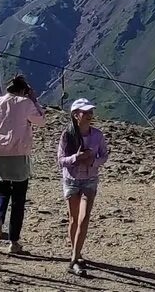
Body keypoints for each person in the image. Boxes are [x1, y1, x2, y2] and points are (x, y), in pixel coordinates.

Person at [0, 74, 42, 253]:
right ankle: (13, 242)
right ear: (23, 90)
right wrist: (34, 100)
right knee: (18, 200)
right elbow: (41, 120)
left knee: (1, 192)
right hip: (18, 155)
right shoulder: (26, 103)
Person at [58, 98, 109, 276]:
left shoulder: (98, 135)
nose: (89, 115)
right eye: (85, 112)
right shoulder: (67, 135)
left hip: (89, 179)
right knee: (74, 219)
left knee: (84, 218)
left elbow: (104, 156)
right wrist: (77, 158)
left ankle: (74, 258)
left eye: (90, 112)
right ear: (75, 115)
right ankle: (76, 254)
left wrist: (93, 161)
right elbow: (61, 160)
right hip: (71, 180)